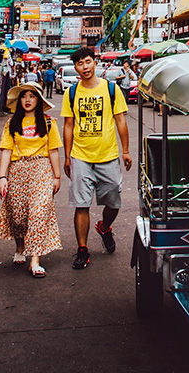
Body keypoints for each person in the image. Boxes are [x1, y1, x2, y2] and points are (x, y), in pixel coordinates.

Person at [62, 47, 131, 270]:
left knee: (113, 202)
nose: (85, 67)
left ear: (95, 63)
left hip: (108, 156)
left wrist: (126, 150)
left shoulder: (111, 89)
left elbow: (120, 120)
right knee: (81, 204)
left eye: (88, 62)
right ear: (76, 68)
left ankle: (104, 227)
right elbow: (68, 126)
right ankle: (82, 249)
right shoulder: (71, 93)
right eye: (80, 63)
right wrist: (67, 156)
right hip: (80, 156)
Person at [0, 82, 62, 278]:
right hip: (17, 171)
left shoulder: (49, 123)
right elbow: (6, 151)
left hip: (41, 169)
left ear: (39, 100)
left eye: (32, 96)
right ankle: (20, 247)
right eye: (24, 96)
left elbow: (54, 151)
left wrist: (57, 176)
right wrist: (2, 177)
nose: (28, 100)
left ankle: (35, 260)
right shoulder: (11, 124)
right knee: (19, 214)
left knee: (39, 212)